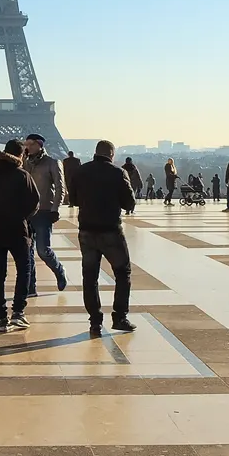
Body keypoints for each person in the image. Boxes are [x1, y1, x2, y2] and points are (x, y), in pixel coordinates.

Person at [70, 140, 138, 336]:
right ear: (112, 155)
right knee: (122, 273)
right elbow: (129, 203)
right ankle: (120, 317)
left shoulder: (81, 171)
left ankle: (95, 321)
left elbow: (73, 199)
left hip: (87, 230)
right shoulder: (118, 173)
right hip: (110, 230)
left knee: (90, 277)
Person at [0, 141, 40, 331]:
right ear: (21, 156)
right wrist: (21, 216)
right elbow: (34, 202)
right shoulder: (22, 175)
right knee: (24, 269)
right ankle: (18, 313)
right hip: (16, 229)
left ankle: (0, 317)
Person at [19, 133, 68, 296]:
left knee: (43, 250)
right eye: (26, 144)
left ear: (40, 145)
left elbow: (61, 188)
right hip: (26, 212)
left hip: (44, 211)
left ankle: (59, 271)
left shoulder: (52, 163)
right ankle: (31, 287)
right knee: (28, 252)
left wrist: (55, 209)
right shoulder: (24, 163)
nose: (28, 146)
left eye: (31, 144)